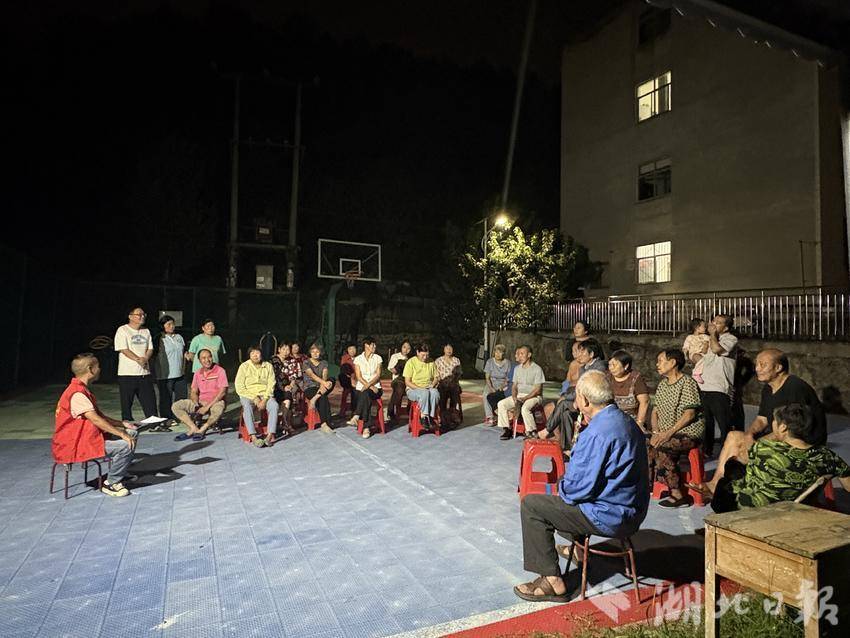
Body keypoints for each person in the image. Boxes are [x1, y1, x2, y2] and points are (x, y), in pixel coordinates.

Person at [514, 371, 649, 603]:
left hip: (609, 516)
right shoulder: (627, 422)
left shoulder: (597, 433)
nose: (575, 403)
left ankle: (552, 581)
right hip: (633, 511)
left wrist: (562, 484)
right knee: (568, 497)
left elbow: (576, 490)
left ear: (585, 401)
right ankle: (577, 549)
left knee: (533, 505)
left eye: (577, 397)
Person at [696, 349, 828, 494]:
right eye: (757, 364)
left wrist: (755, 444)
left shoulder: (795, 387)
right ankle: (716, 483)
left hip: (801, 441)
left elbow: (790, 430)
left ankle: (739, 490)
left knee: (747, 450)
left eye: (763, 365)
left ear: (778, 368)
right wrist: (749, 435)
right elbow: (762, 419)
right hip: (779, 435)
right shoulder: (768, 389)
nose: (757, 369)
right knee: (734, 436)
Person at [706, 403, 850, 513]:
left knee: (732, 467)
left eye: (774, 421)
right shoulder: (828, 456)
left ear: (783, 428)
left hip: (752, 510)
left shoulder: (764, 449)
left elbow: (741, 460)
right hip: (795, 506)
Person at [54, 353, 139, 497]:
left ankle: (119, 473)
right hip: (76, 444)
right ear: (90, 369)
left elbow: (100, 417)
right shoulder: (77, 393)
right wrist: (121, 433)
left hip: (86, 437)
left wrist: (123, 425)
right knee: (125, 445)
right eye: (98, 366)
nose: (100, 369)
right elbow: (96, 420)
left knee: (132, 433)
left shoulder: (81, 389)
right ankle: (111, 483)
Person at [647, 348, 705, 508]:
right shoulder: (662, 385)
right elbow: (655, 412)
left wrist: (668, 434)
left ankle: (678, 495)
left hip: (687, 433)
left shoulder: (687, 382)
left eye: (660, 361)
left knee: (663, 448)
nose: (657, 364)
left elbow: (689, 414)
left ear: (672, 363)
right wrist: (656, 432)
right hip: (665, 432)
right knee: (644, 443)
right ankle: (648, 485)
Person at [693, 314, 738, 457]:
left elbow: (717, 349)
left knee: (724, 423)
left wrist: (712, 335)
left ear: (726, 327)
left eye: (718, 323)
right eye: (713, 321)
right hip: (704, 386)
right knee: (706, 422)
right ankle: (707, 450)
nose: (713, 324)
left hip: (720, 387)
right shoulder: (709, 339)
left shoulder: (730, 339)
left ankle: (728, 453)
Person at [172, 349, 228, 441]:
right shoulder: (198, 373)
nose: (207, 360)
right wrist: (196, 403)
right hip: (201, 401)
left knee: (218, 409)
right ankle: (193, 428)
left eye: (209, 357)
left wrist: (206, 407)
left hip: (215, 401)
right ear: (199, 360)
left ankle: (202, 429)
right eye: (204, 358)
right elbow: (194, 391)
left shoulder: (220, 371)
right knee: (176, 406)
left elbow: (222, 392)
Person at [114, 307, 158, 422]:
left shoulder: (146, 331)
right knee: (126, 404)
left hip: (144, 373)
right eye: (139, 314)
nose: (142, 317)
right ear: (130, 316)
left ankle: (154, 422)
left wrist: (145, 358)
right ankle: (128, 424)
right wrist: (138, 359)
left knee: (150, 402)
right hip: (127, 374)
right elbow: (123, 349)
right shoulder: (122, 330)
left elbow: (150, 348)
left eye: (144, 314)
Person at [497, 345, 545, 441]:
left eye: (522, 354)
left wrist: (525, 398)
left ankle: (531, 432)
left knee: (525, 408)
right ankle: (507, 429)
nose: (520, 356)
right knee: (501, 404)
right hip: (520, 395)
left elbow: (537, 390)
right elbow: (514, 386)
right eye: (519, 354)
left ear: (529, 355)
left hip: (534, 397)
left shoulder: (537, 369)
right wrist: (514, 397)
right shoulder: (517, 369)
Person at [235, 346, 280, 447]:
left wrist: (264, 399)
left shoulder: (268, 366)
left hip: (265, 395)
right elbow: (239, 387)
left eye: (257, 353)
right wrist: (254, 398)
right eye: (252, 353)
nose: (255, 355)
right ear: (249, 355)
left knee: (274, 406)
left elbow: (271, 384)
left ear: (261, 354)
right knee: (247, 406)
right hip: (248, 395)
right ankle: (253, 436)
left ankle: (269, 436)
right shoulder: (244, 366)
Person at [347, 337, 383, 438]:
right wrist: (369, 386)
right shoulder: (358, 359)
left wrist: (369, 386)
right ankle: (366, 427)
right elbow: (359, 377)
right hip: (363, 388)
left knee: (365, 394)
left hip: (376, 388)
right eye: (373, 345)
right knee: (365, 395)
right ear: (366, 345)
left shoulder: (378, 358)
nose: (375, 347)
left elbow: (378, 375)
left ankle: (357, 415)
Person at [154, 314, 187, 426]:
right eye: (168, 324)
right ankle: (166, 418)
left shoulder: (179, 337)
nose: (172, 326)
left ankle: (180, 416)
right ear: (162, 326)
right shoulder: (159, 338)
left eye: (173, 324)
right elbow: (153, 355)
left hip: (180, 374)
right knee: (166, 399)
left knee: (181, 398)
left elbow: (184, 353)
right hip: (165, 375)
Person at [606, 349, 650, 429]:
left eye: (614, 365)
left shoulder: (636, 378)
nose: (611, 368)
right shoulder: (607, 377)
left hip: (632, 422)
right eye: (610, 365)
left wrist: (639, 424)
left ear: (626, 366)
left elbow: (644, 402)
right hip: (612, 420)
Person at [403, 344, 441, 429]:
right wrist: (420, 388)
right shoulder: (411, 362)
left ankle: (431, 416)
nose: (425, 357)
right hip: (414, 388)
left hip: (428, 387)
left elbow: (436, 377)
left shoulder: (431, 362)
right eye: (423, 355)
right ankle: (424, 416)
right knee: (424, 393)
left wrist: (433, 384)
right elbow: (407, 382)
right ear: (417, 352)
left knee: (435, 393)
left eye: (427, 355)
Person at [303, 344, 335, 434]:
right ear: (310, 353)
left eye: (317, 352)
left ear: (320, 353)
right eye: (313, 352)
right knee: (323, 397)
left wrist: (323, 384)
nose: (315, 353)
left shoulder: (324, 363)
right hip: (310, 387)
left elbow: (325, 375)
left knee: (332, 379)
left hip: (321, 386)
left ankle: (314, 399)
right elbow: (312, 375)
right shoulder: (306, 362)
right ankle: (325, 423)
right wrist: (324, 384)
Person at [270, 343, 297, 436]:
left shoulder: (291, 361)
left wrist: (290, 385)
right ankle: (286, 423)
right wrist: (283, 387)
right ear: (279, 349)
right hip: (274, 387)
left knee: (288, 396)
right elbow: (274, 376)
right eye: (284, 349)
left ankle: (284, 422)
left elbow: (293, 376)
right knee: (286, 395)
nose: (286, 352)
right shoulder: (273, 360)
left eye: (288, 349)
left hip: (286, 387)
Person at [435, 343, 463, 427]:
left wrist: (453, 381)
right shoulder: (438, 361)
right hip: (442, 384)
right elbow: (436, 375)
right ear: (444, 349)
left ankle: (453, 417)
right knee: (442, 395)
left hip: (453, 384)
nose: (449, 350)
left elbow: (458, 374)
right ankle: (443, 417)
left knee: (455, 393)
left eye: (450, 348)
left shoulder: (456, 360)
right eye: (447, 348)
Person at [483, 344, 511, 425]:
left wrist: (502, 387)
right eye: (496, 352)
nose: (498, 354)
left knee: (506, 394)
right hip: (492, 382)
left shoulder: (507, 363)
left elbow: (508, 378)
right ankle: (489, 417)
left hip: (503, 383)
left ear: (503, 353)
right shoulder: (490, 362)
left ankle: (507, 415)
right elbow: (487, 378)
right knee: (486, 394)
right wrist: (491, 388)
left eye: (500, 352)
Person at [387, 341, 412, 422]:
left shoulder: (412, 359)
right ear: (401, 347)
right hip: (398, 379)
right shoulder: (395, 356)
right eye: (404, 347)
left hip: (409, 380)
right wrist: (400, 365)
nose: (406, 350)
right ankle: (391, 411)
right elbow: (392, 370)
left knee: (414, 389)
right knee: (399, 389)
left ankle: (410, 411)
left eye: (408, 348)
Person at [682, 318, 710, 383]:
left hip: (704, 354)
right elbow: (685, 347)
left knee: (704, 360)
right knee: (699, 359)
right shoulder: (690, 337)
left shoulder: (706, 336)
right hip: (694, 354)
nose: (705, 328)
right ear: (697, 328)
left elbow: (709, 345)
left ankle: (701, 373)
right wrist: (685, 356)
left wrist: (706, 345)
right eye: (703, 326)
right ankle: (696, 373)